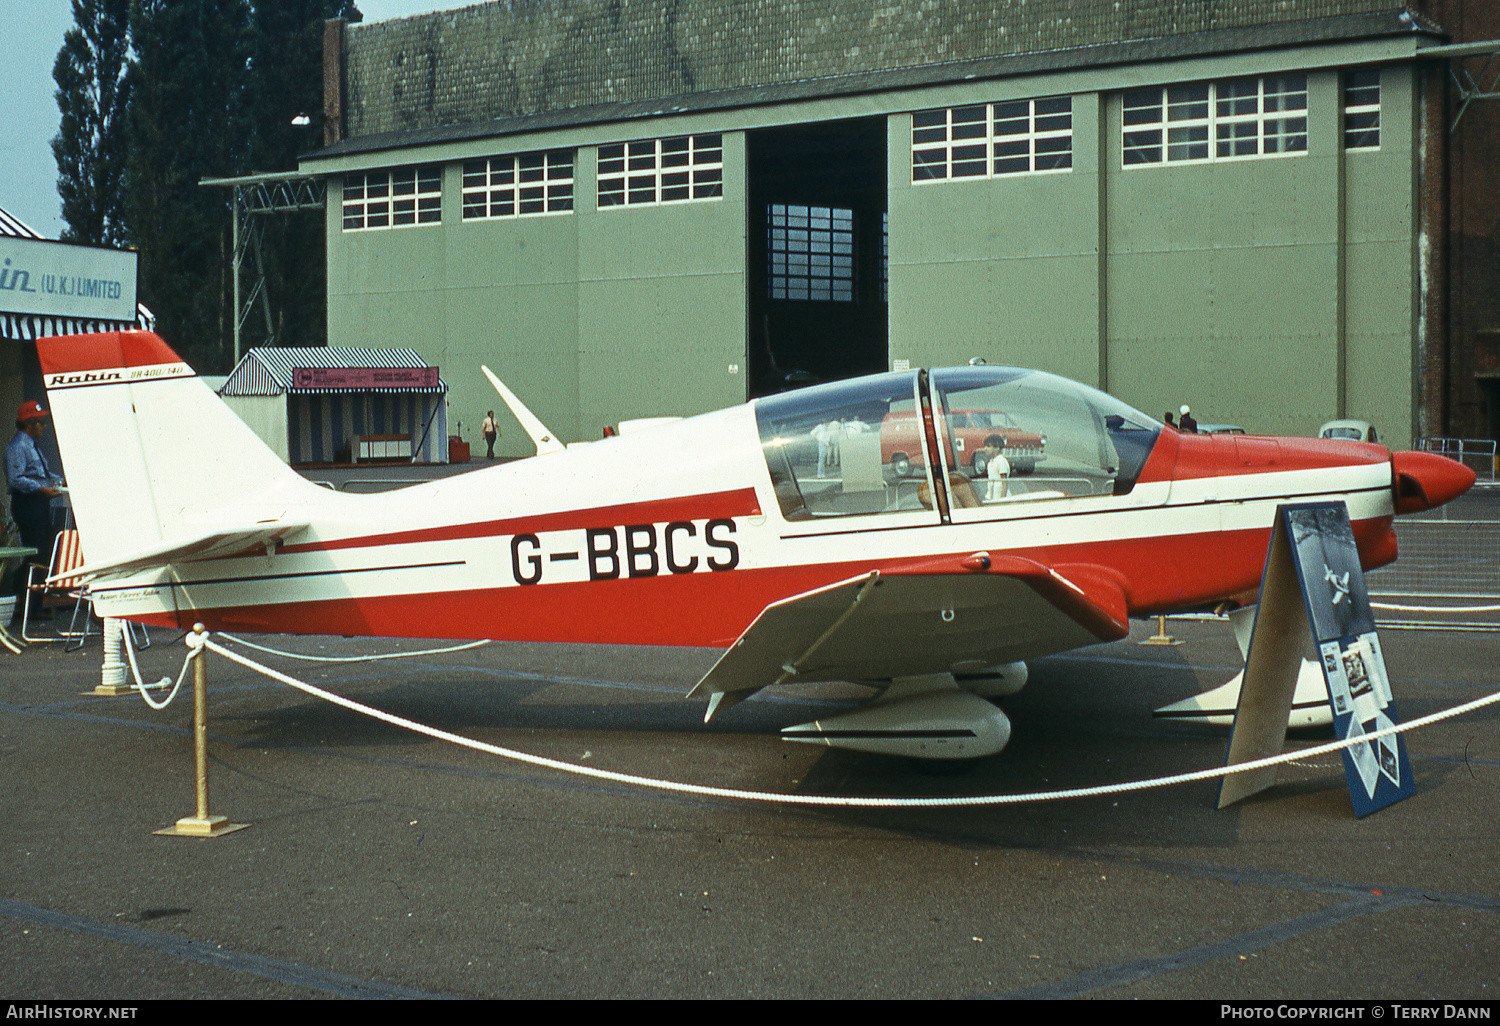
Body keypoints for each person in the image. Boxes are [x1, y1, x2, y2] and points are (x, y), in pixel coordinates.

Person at [6, 401, 62, 623]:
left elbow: (41, 473)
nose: (44, 427)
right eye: (41, 422)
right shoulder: (17, 448)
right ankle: (15, 590)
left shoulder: (31, 446)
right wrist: (41, 489)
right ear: (29, 424)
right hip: (28, 503)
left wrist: (59, 482)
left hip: (39, 502)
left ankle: (33, 604)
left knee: (43, 553)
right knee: (36, 553)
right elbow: (16, 479)